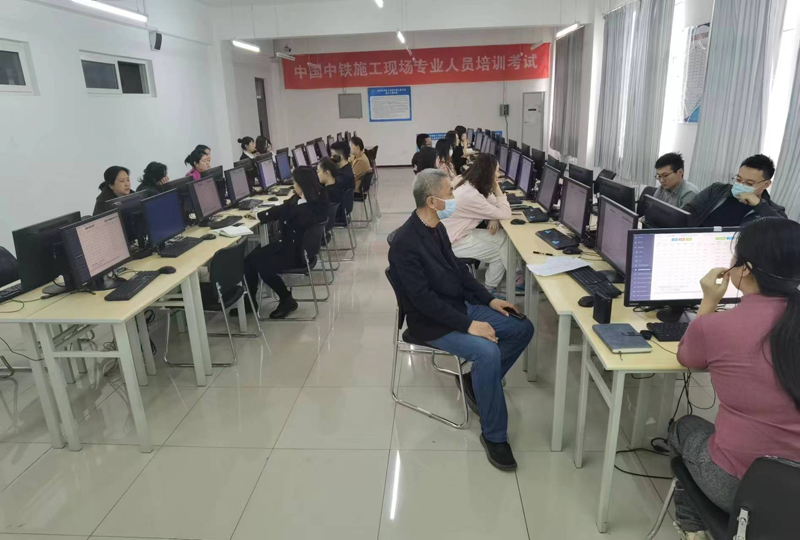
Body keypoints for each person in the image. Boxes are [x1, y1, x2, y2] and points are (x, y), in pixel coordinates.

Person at [388, 168, 534, 471]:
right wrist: (469, 325)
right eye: (450, 193)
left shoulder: (437, 228)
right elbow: (423, 302)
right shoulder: (405, 243)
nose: (454, 197)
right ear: (432, 201)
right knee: (487, 351)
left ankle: (475, 381)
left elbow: (459, 272)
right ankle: (494, 435)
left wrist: (489, 299)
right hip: (431, 321)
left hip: (457, 306)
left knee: (522, 327)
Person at [671, 217, 800, 539]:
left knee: (684, 426)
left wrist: (709, 301)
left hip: (741, 490)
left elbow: (688, 357)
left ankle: (692, 525)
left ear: (745, 269)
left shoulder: (715, 328)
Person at [245, 167, 329, 319]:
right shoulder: (308, 199)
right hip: (295, 246)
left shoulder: (307, 208)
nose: (293, 185)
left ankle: (286, 299)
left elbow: (290, 213)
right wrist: (259, 215)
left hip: (297, 253)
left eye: (295, 182)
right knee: (250, 259)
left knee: (262, 265)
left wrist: (267, 215)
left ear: (302, 185)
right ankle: (249, 301)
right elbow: (283, 208)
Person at [441, 154, 513, 296]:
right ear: (488, 173)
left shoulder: (466, 181)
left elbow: (493, 205)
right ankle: (488, 291)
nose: (498, 175)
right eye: (496, 171)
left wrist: (493, 217)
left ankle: (516, 276)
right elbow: (505, 213)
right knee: (501, 254)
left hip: (454, 233)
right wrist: (497, 189)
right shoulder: (472, 196)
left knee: (503, 237)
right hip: (453, 242)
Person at [683, 154, 787, 227]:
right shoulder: (717, 190)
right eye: (738, 179)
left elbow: (785, 232)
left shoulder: (773, 210)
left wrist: (758, 205)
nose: (741, 185)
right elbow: (687, 212)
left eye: (749, 184)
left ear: (766, 184)